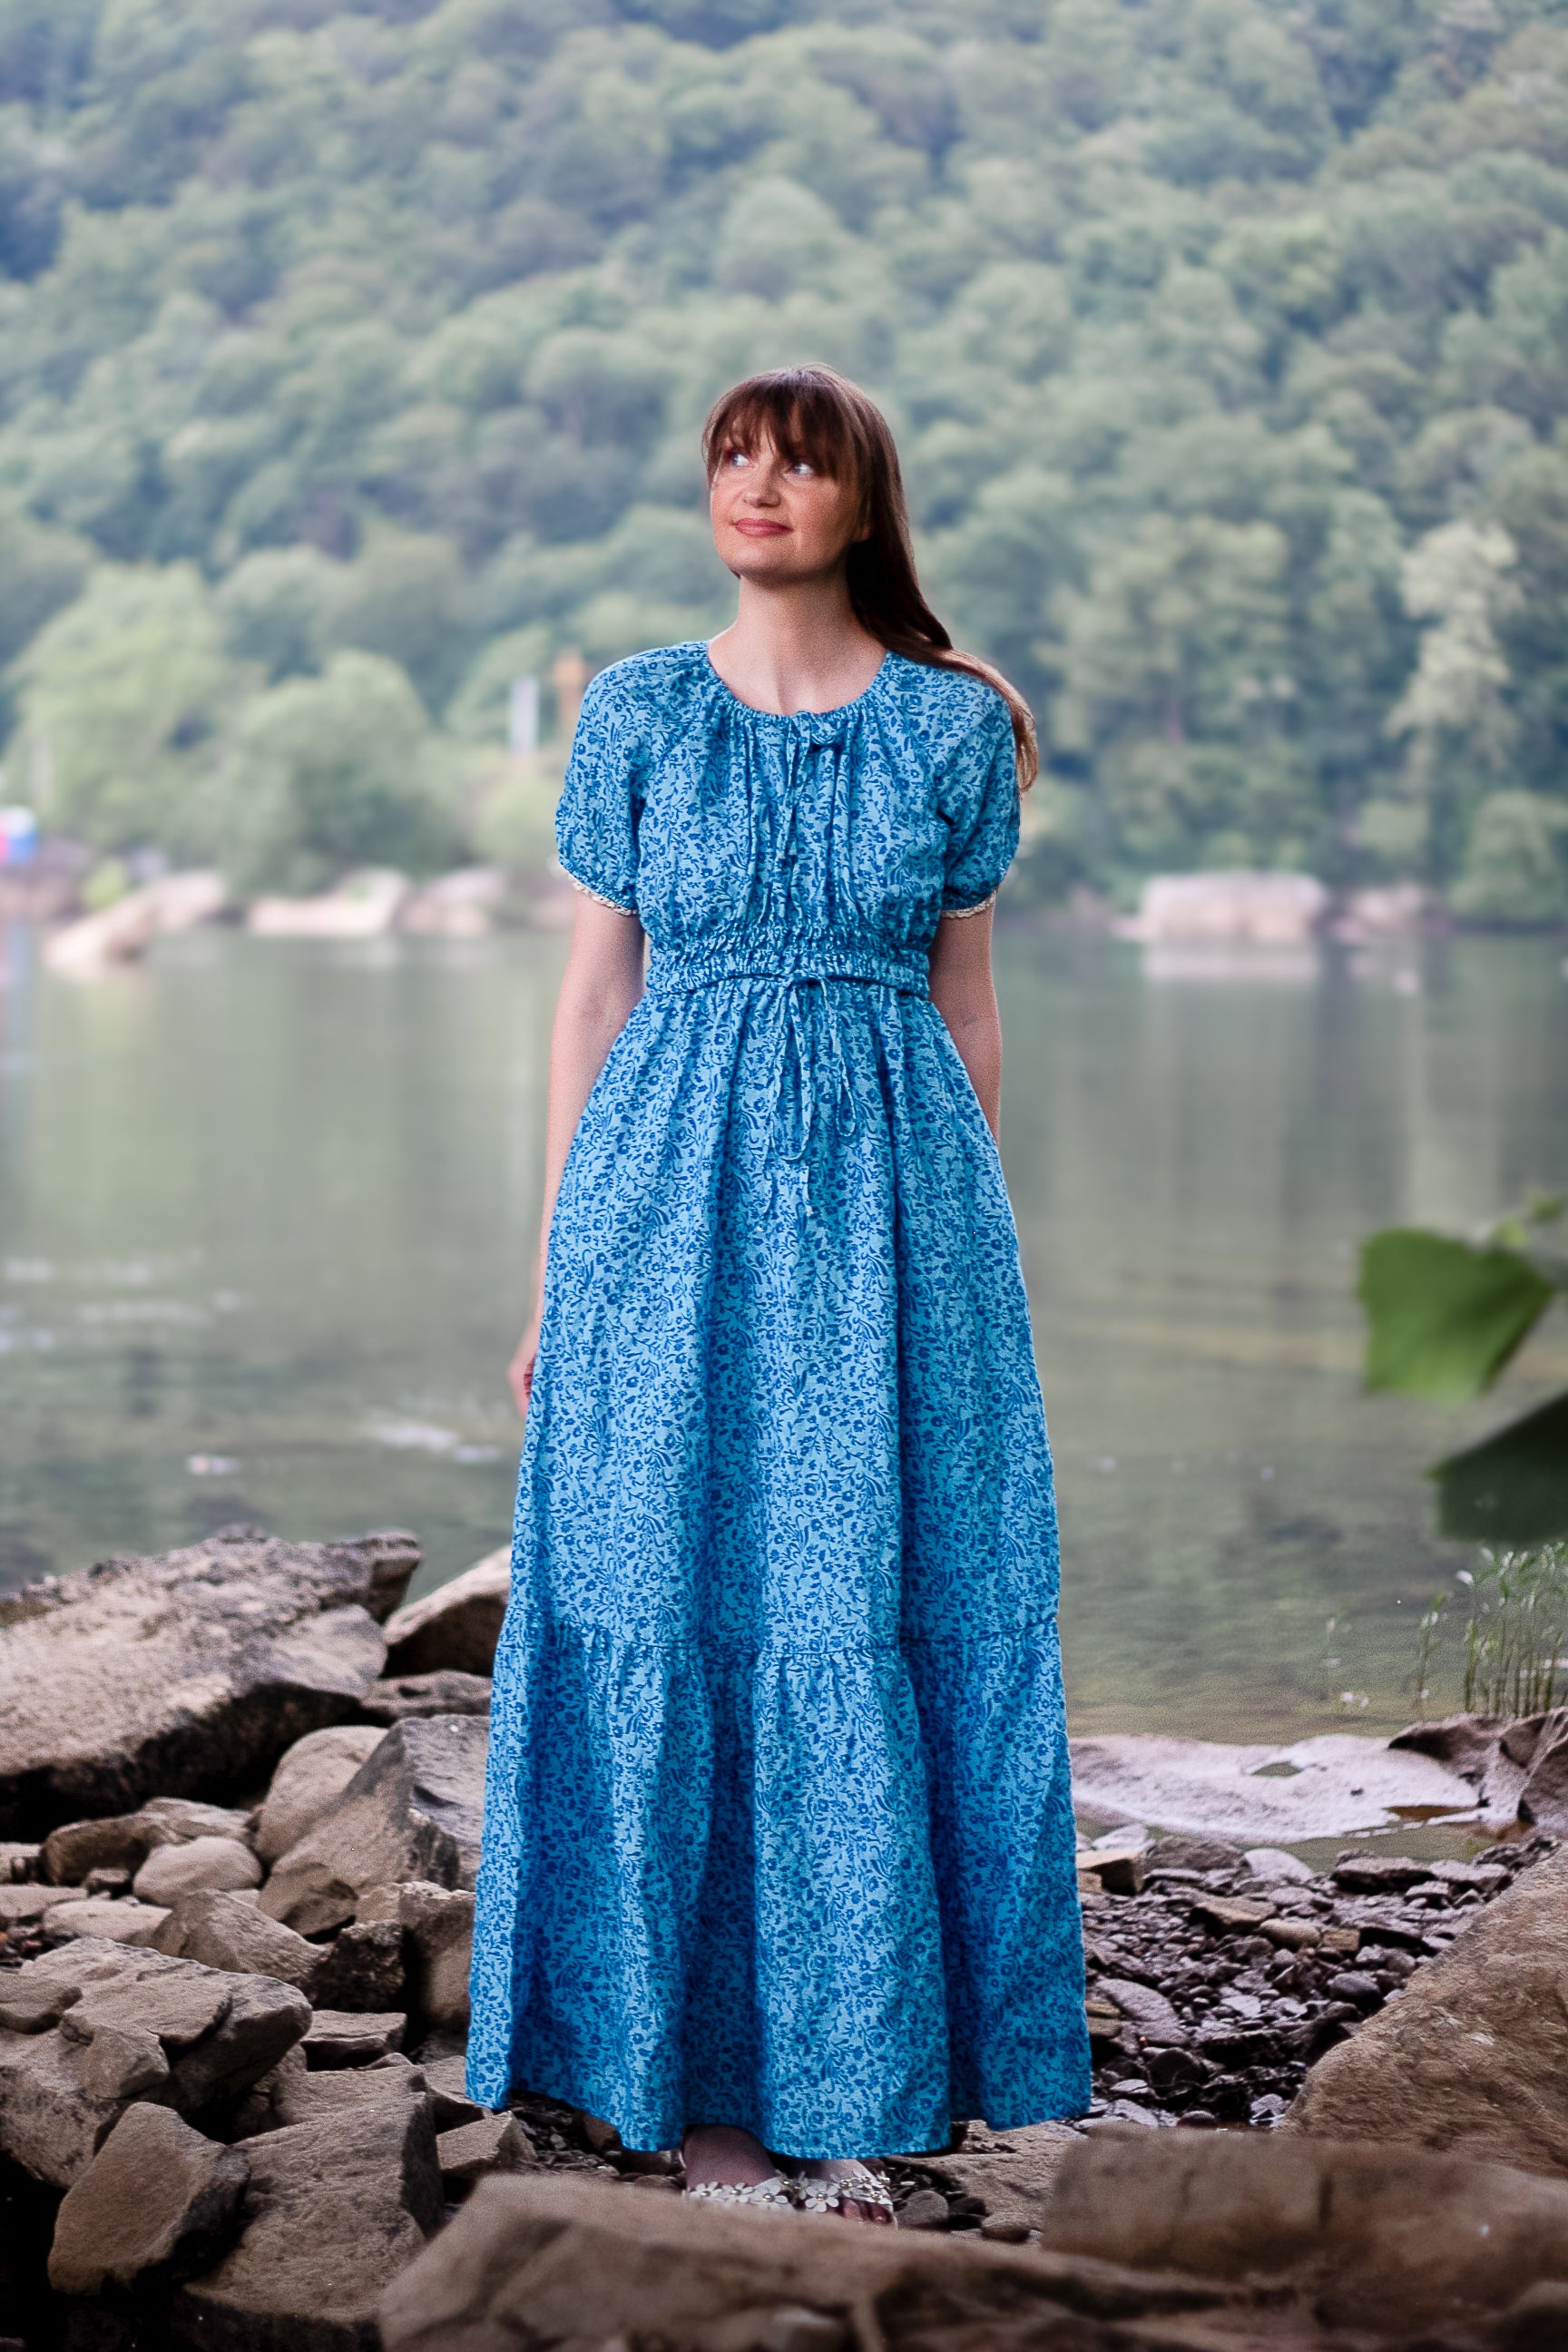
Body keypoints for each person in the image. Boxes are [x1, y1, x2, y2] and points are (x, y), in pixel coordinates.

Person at [467, 364, 1091, 2223]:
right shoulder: (639, 709)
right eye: (733, 458)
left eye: (798, 463)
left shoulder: (955, 727)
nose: (757, 488)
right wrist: (556, 1265)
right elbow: (592, 999)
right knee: (662, 1578)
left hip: (900, 1217)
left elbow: (972, 1011)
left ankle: (869, 2074)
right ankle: (668, 2079)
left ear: (861, 503)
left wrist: (961, 1275)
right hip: (661, 1197)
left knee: (869, 1595)